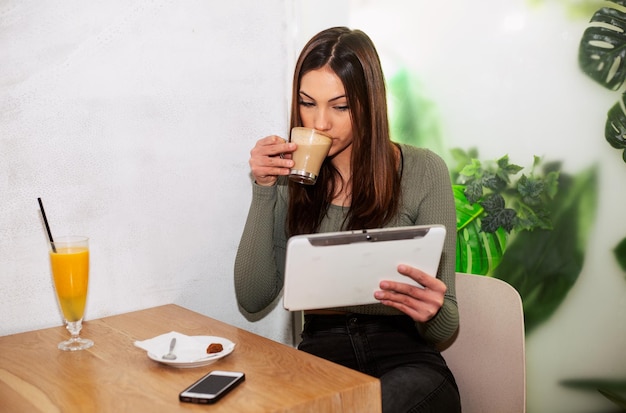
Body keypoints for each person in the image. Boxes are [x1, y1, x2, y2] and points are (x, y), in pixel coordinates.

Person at [234, 26, 460, 413]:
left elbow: (445, 325)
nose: (320, 123)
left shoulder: (424, 171)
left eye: (340, 107)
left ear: (368, 104)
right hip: (320, 358)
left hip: (405, 357)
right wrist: (264, 188)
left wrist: (433, 311)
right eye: (308, 103)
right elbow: (252, 298)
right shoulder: (294, 177)